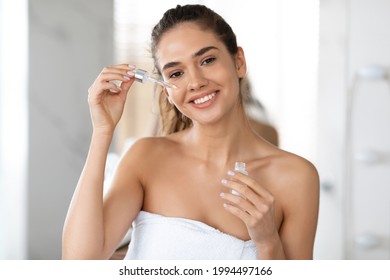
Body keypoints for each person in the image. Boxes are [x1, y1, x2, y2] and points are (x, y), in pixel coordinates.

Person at [62, 4, 319, 260]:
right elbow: (79, 262)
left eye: (207, 60)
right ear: (167, 92)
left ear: (239, 62)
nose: (195, 82)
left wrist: (267, 242)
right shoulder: (146, 158)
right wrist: (103, 131)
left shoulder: (296, 178)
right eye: (176, 73)